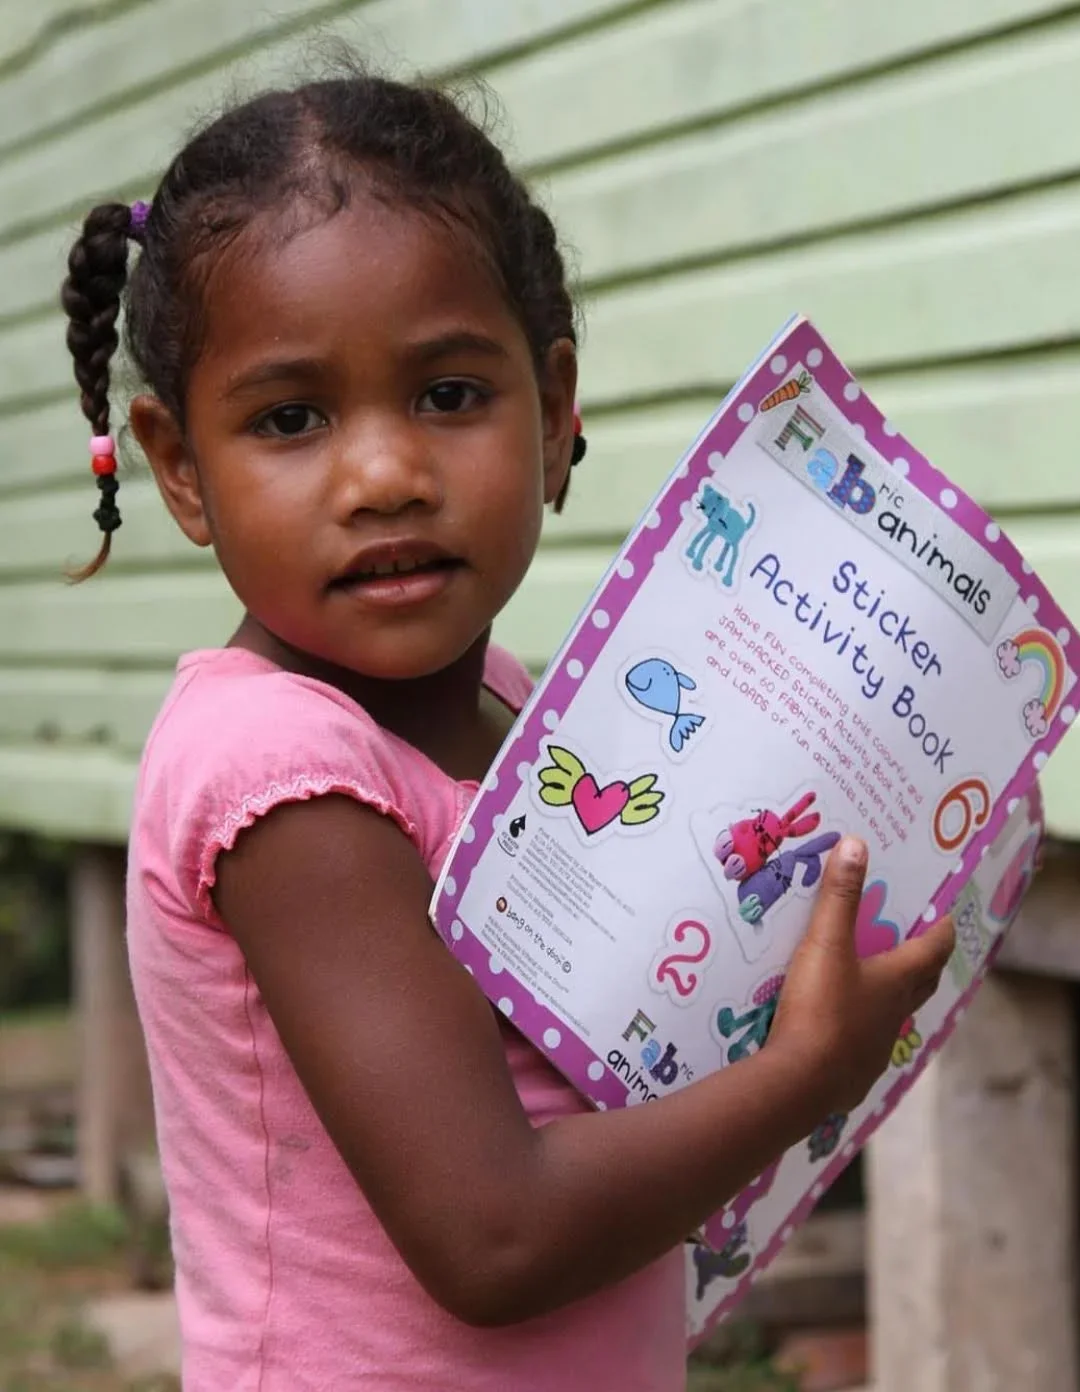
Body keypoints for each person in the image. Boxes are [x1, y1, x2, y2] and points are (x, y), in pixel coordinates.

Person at [59, 71, 954, 1391]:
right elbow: (496, 1235)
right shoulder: (287, 780)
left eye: (449, 395)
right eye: (291, 419)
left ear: (553, 412)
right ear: (180, 466)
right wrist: (806, 1071)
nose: (385, 477)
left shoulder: (517, 706)